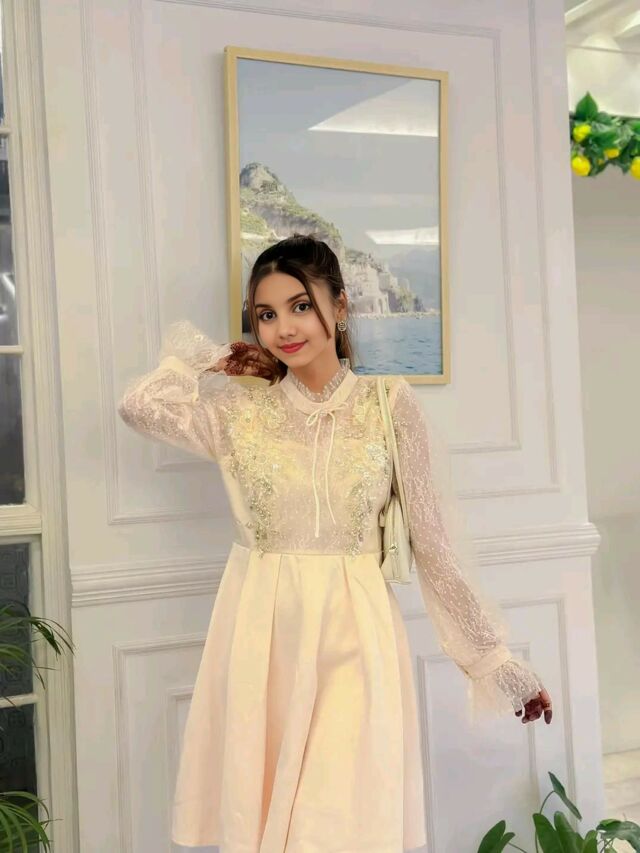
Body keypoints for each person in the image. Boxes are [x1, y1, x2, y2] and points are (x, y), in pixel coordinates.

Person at [117, 233, 552, 852]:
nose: (284, 328)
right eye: (266, 314)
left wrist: (497, 664)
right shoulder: (239, 413)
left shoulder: (388, 405)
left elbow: (433, 545)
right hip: (263, 637)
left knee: (342, 820)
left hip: (356, 636)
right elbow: (139, 406)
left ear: (340, 306)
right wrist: (215, 360)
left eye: (300, 306)